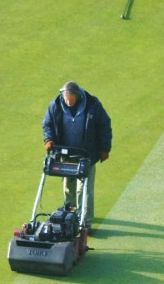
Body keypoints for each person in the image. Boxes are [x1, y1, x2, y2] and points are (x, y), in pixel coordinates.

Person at [42, 81, 112, 224]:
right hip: (66, 154)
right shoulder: (56, 105)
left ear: (78, 96)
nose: (69, 102)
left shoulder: (93, 106)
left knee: (84, 190)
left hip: (86, 155)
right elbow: (47, 123)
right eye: (67, 99)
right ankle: (70, 216)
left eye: (72, 100)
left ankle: (85, 221)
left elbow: (104, 125)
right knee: (68, 187)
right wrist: (48, 139)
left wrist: (104, 148)